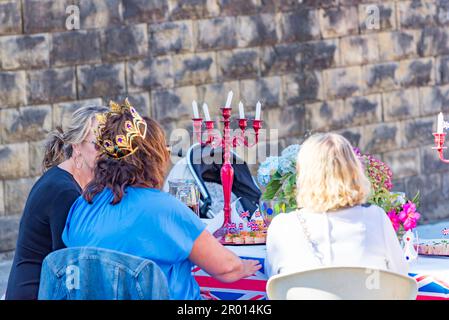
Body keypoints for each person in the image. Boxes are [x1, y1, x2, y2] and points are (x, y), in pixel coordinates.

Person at [62, 98, 261, 300]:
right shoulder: (164, 209)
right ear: (153, 158)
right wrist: (244, 266)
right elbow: (227, 269)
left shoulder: (82, 206)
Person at [266, 133, 408, 278]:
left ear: (303, 176)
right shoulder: (376, 218)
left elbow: (272, 283)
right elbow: (400, 276)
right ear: (354, 172)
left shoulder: (282, 226)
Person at [6, 105, 108, 300]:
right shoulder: (64, 192)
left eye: (112, 145)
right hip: (36, 292)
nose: (106, 152)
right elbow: (70, 264)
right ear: (77, 146)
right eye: (98, 145)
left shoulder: (67, 181)